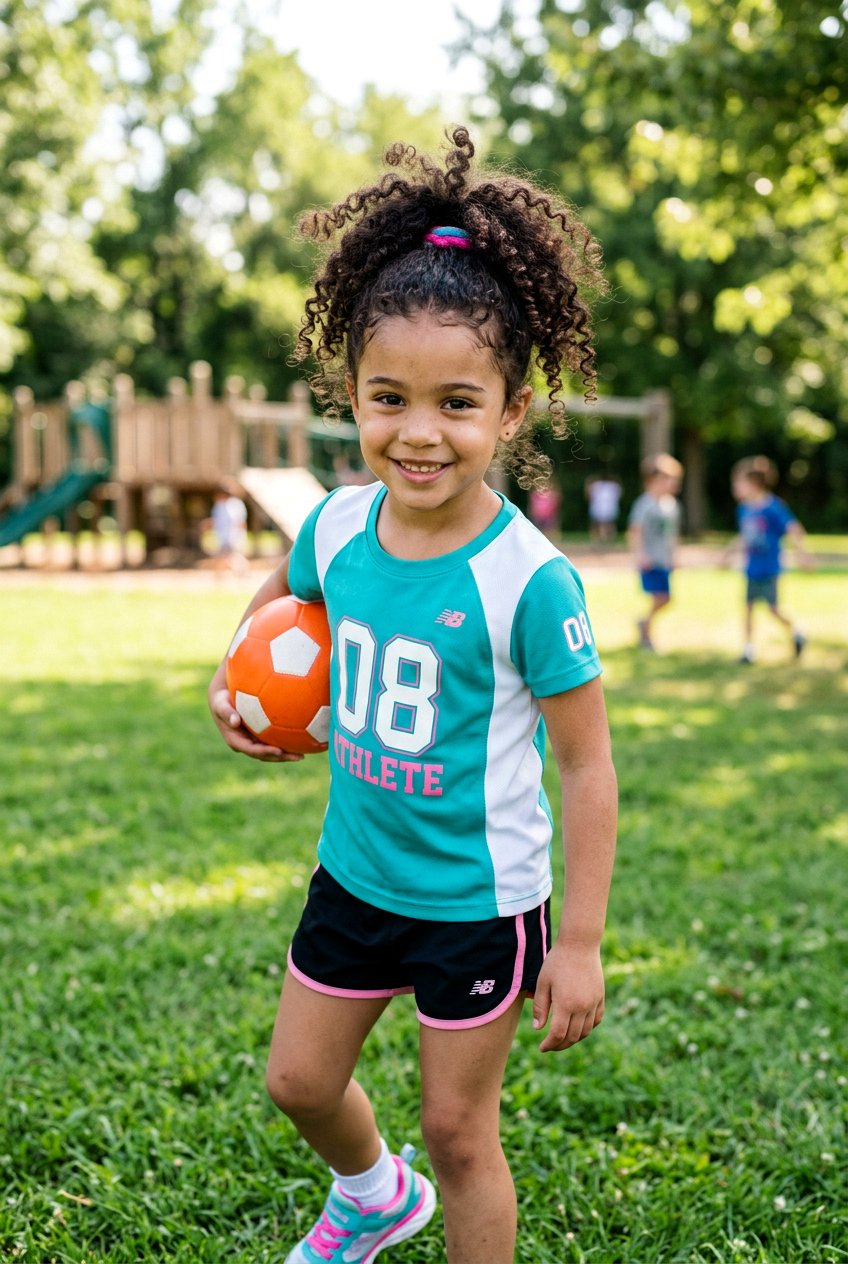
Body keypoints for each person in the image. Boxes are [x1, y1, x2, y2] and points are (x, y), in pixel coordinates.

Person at [208, 126, 617, 1264]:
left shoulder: (527, 581)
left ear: (510, 412)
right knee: (297, 1080)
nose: (419, 431)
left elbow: (584, 762)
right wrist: (234, 674)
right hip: (357, 874)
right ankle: (373, 1197)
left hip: (477, 902)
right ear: (352, 394)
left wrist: (575, 942)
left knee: (458, 1128)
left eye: (455, 403)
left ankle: (431, 1191)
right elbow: (278, 592)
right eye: (388, 398)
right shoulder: (336, 523)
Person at [721, 455, 810, 664]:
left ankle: (797, 633)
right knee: (748, 607)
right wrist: (726, 555)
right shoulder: (744, 509)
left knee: (773, 608)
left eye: (738, 482)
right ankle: (748, 649)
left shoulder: (772, 507)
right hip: (752, 567)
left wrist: (801, 554)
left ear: (754, 483)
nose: (735, 487)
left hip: (770, 568)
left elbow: (794, 529)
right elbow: (744, 536)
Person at [627, 453, 684, 651]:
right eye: (667, 479)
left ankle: (644, 623)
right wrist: (641, 554)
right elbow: (635, 531)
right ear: (652, 480)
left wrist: (675, 555)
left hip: (664, 559)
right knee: (660, 596)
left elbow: (672, 535)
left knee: (665, 598)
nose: (671, 484)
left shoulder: (672, 505)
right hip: (650, 560)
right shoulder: (644, 504)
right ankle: (647, 634)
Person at [209, 481, 248, 572]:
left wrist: (239, 535)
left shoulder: (236, 504)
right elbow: (217, 520)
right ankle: (220, 575)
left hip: (234, 535)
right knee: (223, 556)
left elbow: (240, 521)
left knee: (234, 555)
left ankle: (241, 572)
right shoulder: (218, 506)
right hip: (222, 535)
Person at [585, 472, 622, 543]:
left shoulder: (596, 485)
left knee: (599, 524)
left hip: (599, 508)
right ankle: (608, 539)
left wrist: (589, 481)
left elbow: (588, 494)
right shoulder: (613, 485)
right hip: (608, 508)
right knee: (608, 524)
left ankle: (599, 540)